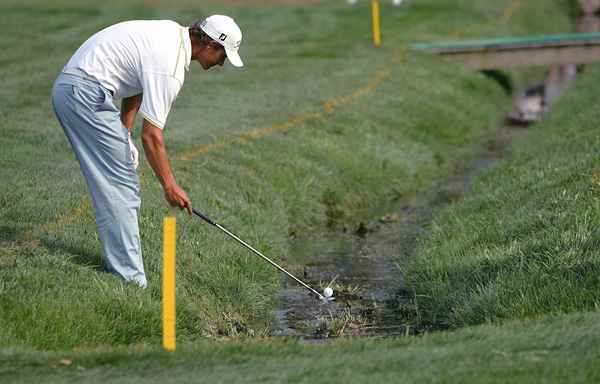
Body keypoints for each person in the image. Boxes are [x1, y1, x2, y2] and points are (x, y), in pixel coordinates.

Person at [51, 15, 244, 288]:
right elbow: (152, 136)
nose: (222, 62)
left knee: (120, 177)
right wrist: (170, 186)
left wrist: (123, 131)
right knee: (121, 185)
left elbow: (137, 83)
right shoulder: (170, 66)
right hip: (83, 94)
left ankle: (125, 272)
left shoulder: (170, 36)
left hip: (76, 89)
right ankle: (130, 281)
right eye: (223, 55)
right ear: (210, 44)